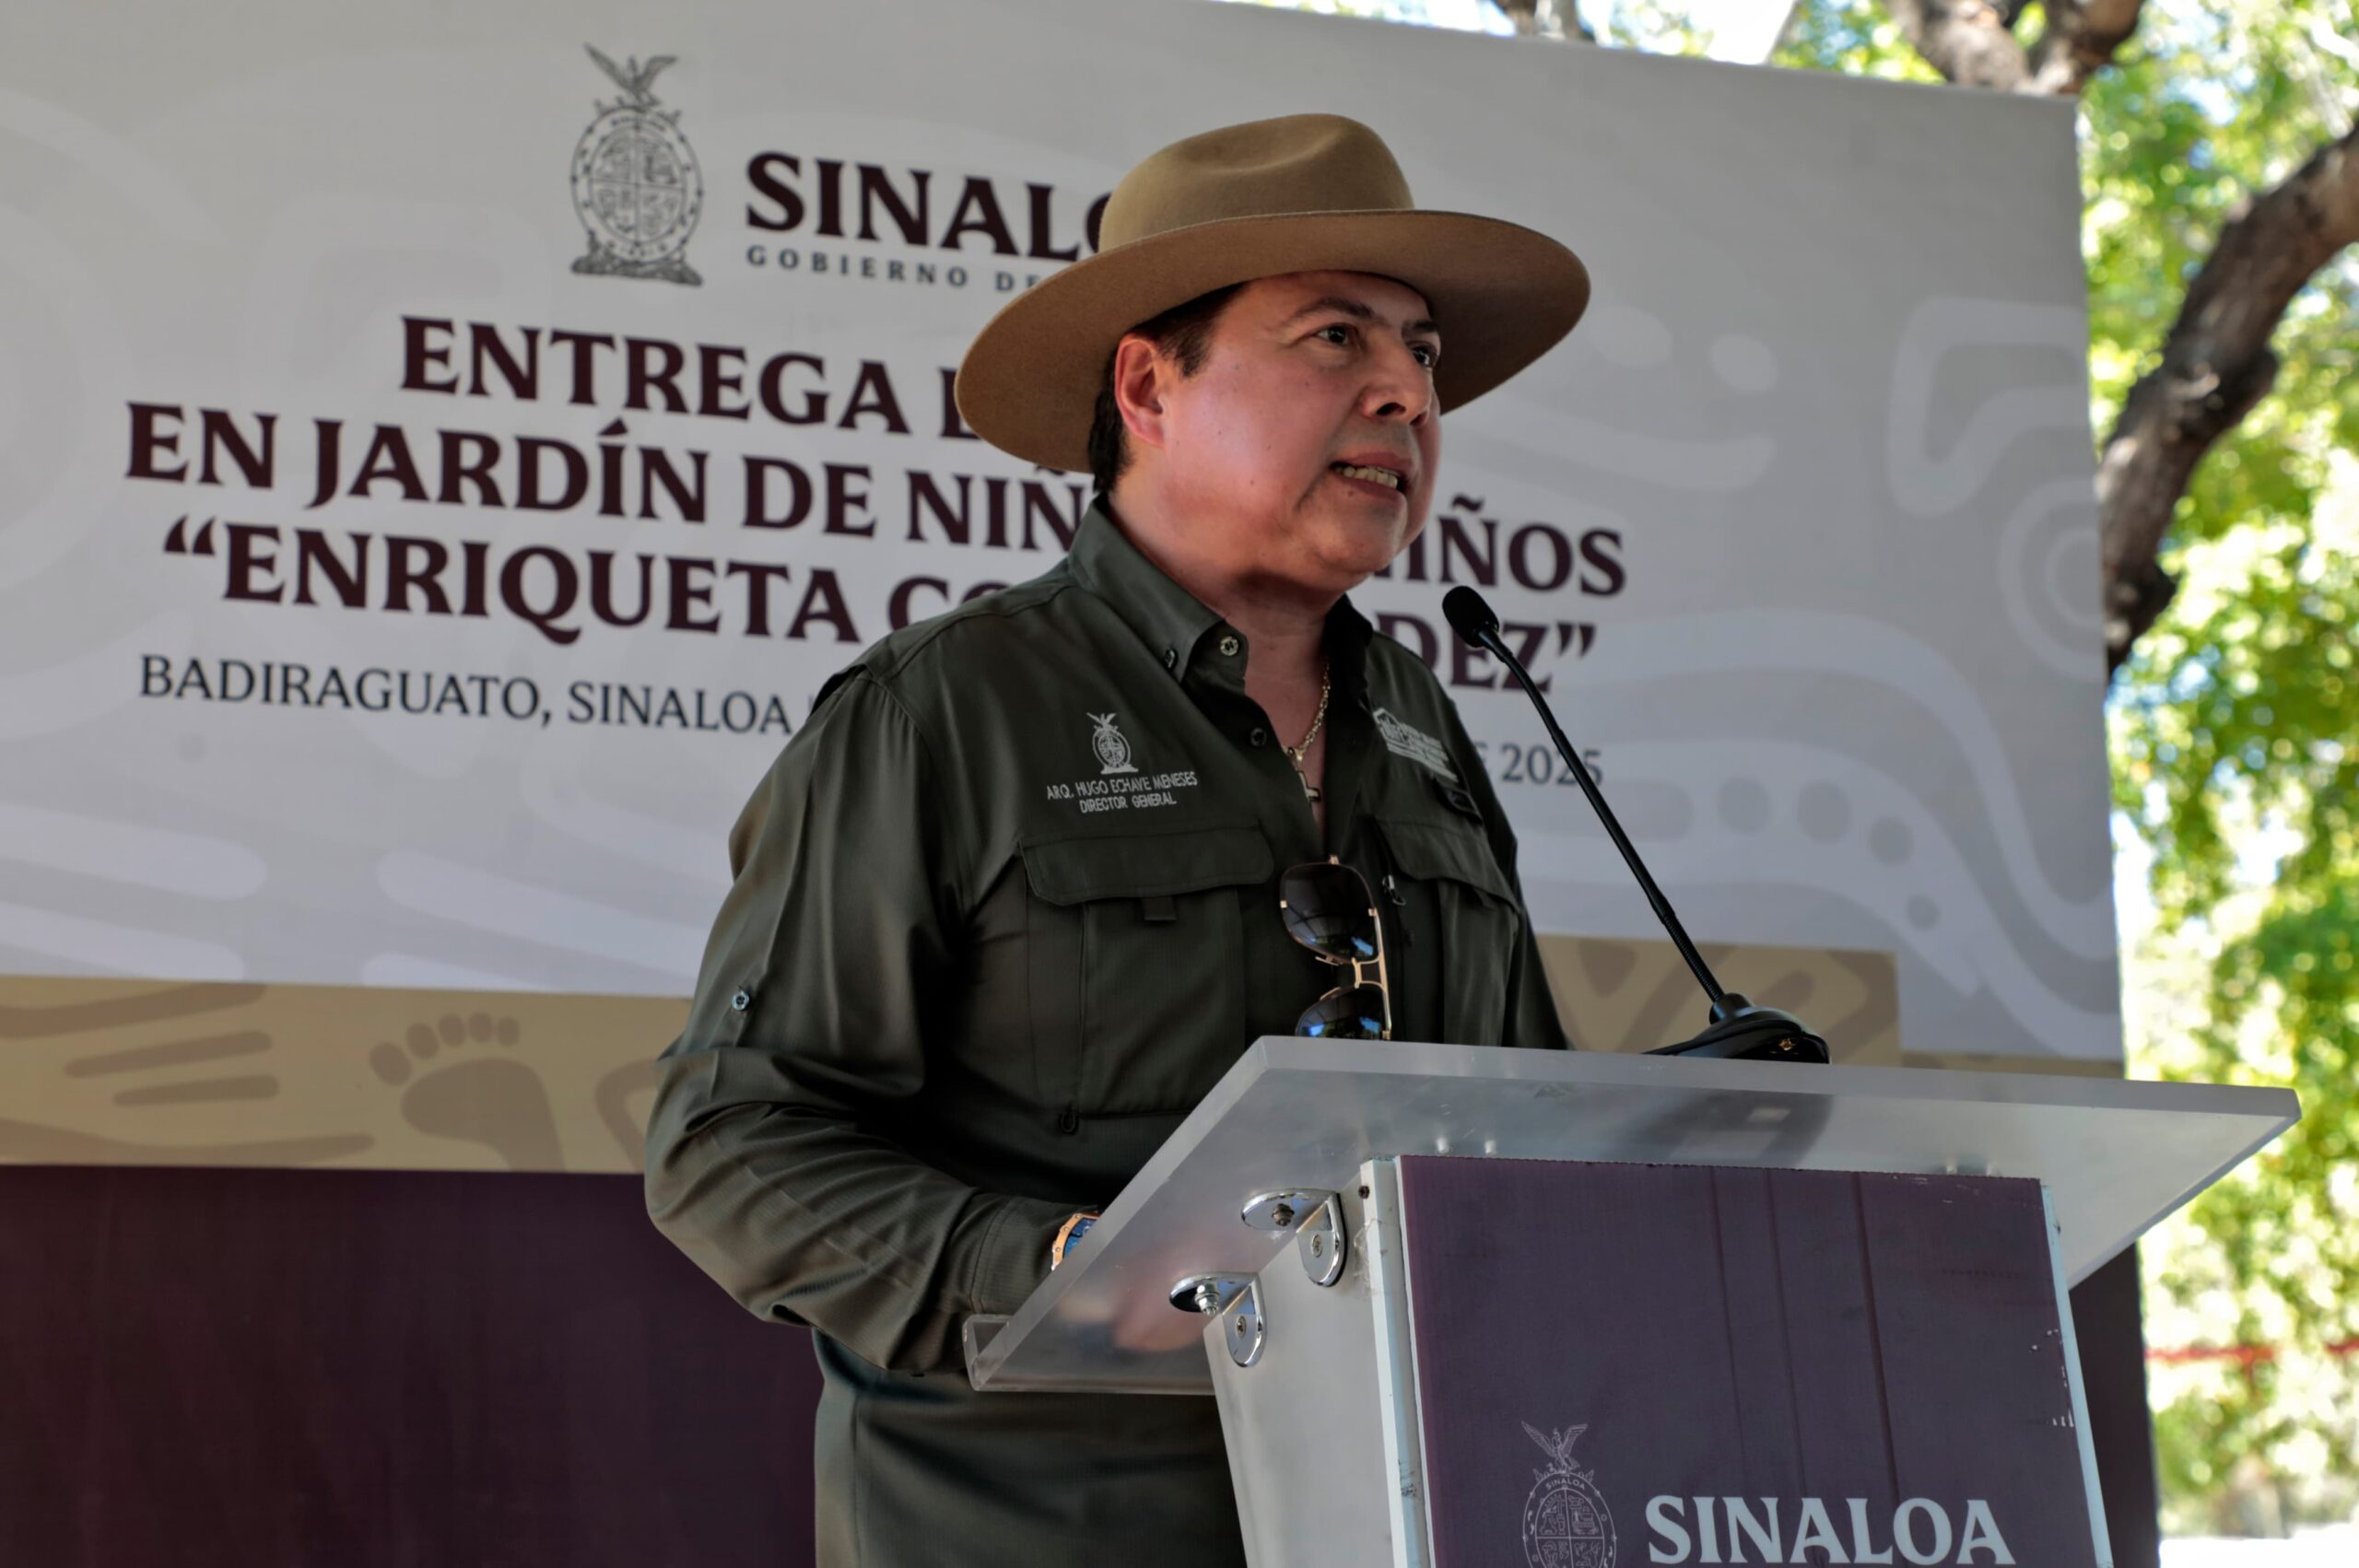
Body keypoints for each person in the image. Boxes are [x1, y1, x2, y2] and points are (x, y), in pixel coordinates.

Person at [642, 111, 1590, 1567]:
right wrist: (1059, 1270)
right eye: (1337, 338)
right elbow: (732, 1140)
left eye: (1422, 351)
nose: (1407, 390)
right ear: (1149, 384)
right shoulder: (944, 709)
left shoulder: (1423, 722)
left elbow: (1514, 1123)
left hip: (1399, 1513)